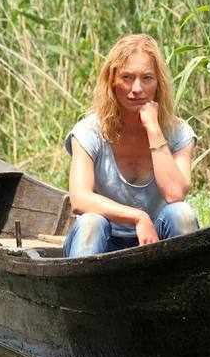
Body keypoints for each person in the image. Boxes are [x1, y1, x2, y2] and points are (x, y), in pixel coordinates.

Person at [62, 34, 199, 257]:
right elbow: (79, 199)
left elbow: (175, 194)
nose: (137, 88)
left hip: (155, 239)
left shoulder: (179, 133)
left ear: (158, 83)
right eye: (127, 77)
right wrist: (137, 216)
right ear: (112, 82)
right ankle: (81, 290)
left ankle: (184, 287)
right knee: (91, 223)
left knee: (181, 214)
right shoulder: (89, 132)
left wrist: (154, 129)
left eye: (147, 78)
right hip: (102, 242)